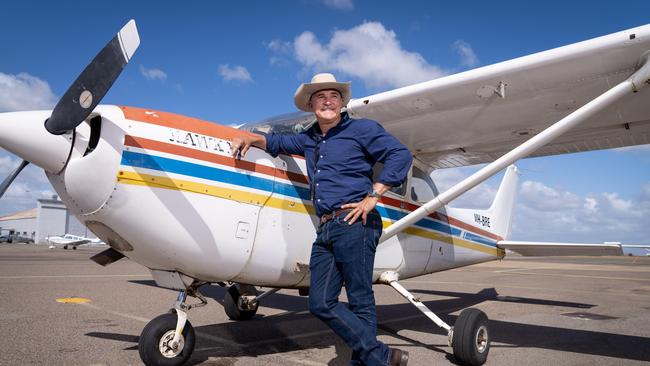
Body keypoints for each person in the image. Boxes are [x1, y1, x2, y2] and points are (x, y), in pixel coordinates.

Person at [231, 73, 412, 366]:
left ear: (341, 103)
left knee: (359, 299)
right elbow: (278, 141)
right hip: (326, 227)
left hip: (355, 221)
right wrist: (251, 137)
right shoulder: (310, 139)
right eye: (320, 97)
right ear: (312, 104)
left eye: (334, 96)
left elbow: (400, 154)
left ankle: (368, 361)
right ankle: (380, 355)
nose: (327, 101)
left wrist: (374, 194)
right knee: (320, 302)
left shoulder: (362, 129)